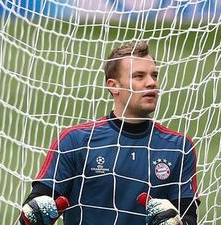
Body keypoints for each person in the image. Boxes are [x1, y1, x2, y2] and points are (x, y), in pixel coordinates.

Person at [20, 41, 200, 225]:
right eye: (139, 76)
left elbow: (189, 217)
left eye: (154, 75)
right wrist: (33, 213)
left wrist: (175, 222)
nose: (151, 82)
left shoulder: (179, 146)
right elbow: (33, 210)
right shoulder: (75, 141)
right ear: (113, 86)